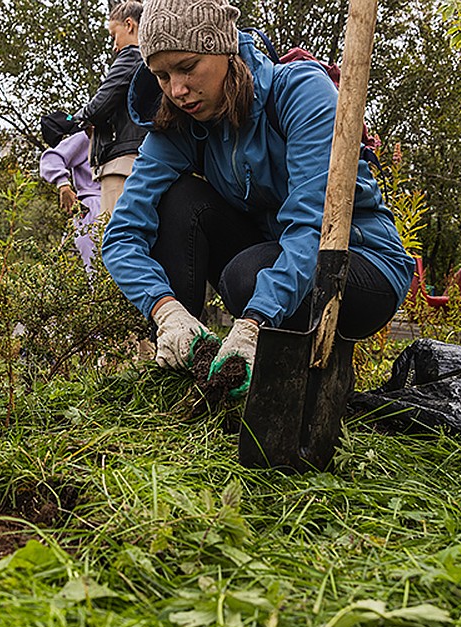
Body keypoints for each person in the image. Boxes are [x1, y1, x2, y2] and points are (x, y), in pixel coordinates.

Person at [102, 0, 415, 398]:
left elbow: (310, 225)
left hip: (358, 263)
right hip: (271, 256)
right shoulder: (179, 125)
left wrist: (253, 322)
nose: (177, 90)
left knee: (246, 277)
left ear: (224, 49)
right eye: (161, 75)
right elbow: (122, 233)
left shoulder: (300, 93)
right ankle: (187, 368)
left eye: (188, 66)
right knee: (181, 200)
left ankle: (306, 373)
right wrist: (165, 310)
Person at [75, 1, 146, 215]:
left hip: (121, 162)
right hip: (143, 157)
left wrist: (73, 118)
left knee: (114, 236)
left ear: (129, 25)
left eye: (114, 35)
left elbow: (98, 107)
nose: (115, 46)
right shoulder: (154, 63)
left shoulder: (131, 56)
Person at [38, 126, 101, 269]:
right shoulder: (89, 135)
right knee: (97, 271)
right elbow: (51, 157)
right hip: (93, 207)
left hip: (122, 205)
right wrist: (63, 184)